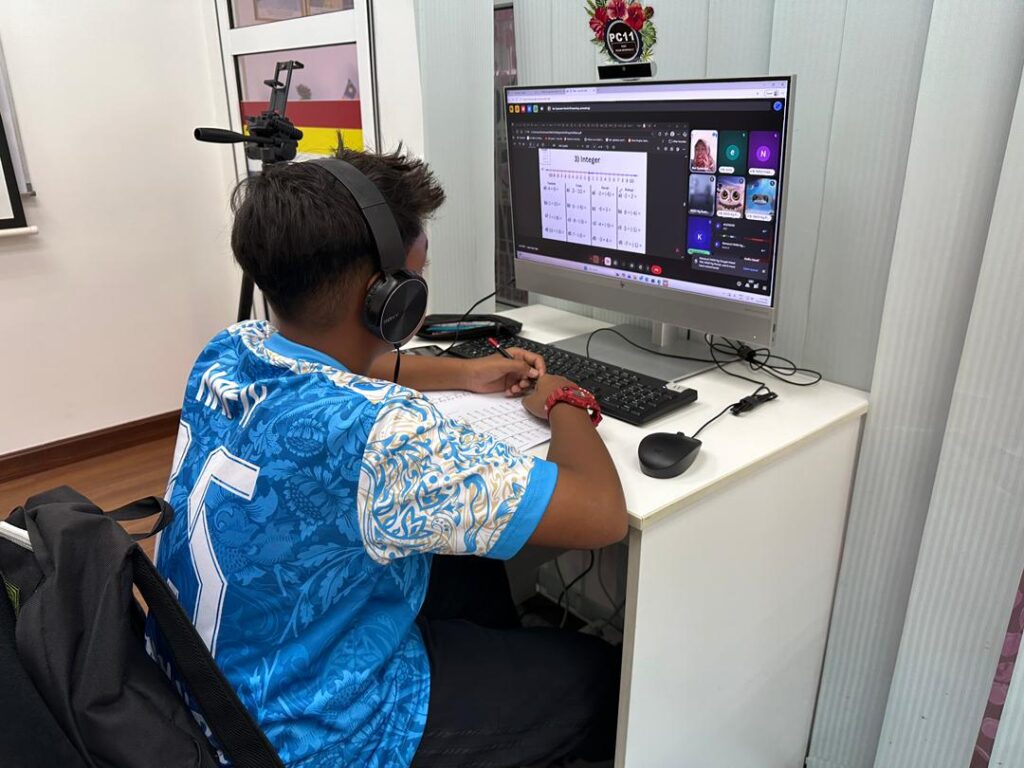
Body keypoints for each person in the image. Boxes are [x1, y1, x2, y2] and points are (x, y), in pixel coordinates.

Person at [152, 146, 627, 767]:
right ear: (388, 298)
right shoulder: (384, 433)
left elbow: (349, 366)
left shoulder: (229, 349)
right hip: (314, 737)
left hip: (206, 691)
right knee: (599, 671)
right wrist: (563, 398)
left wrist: (466, 373)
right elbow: (601, 515)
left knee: (468, 568)